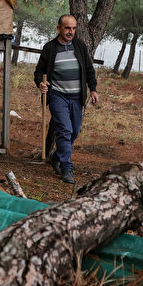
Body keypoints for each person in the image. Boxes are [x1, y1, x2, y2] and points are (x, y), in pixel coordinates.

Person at [34, 14, 99, 184]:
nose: (71, 32)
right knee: (64, 130)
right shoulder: (49, 48)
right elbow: (39, 72)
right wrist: (41, 82)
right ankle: (67, 168)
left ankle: (57, 156)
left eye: (73, 28)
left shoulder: (80, 46)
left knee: (74, 131)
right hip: (58, 95)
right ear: (59, 28)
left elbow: (89, 70)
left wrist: (93, 89)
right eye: (67, 28)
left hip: (77, 97)